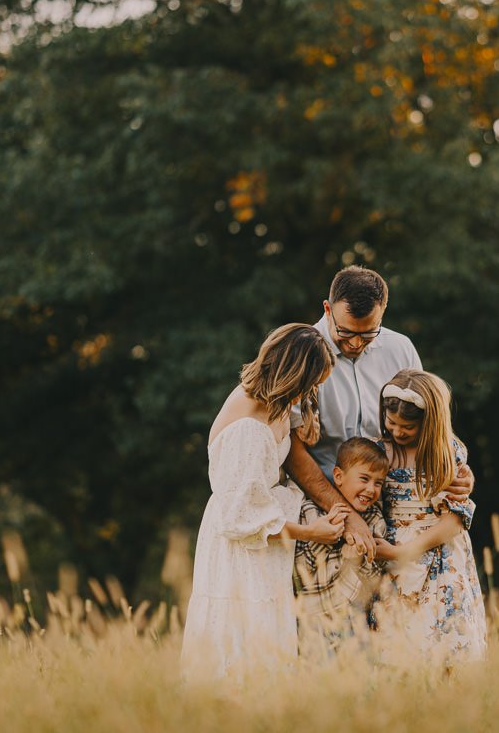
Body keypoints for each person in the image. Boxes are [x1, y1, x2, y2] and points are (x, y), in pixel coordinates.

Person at [181, 324, 348, 680]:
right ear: (294, 376)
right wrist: (311, 532)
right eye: (313, 383)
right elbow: (243, 520)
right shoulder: (249, 428)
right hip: (241, 550)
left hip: (264, 549)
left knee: (266, 646)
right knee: (243, 650)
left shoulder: (274, 402)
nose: (315, 391)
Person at [285, 266, 472, 558]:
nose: (356, 343)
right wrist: (347, 516)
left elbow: (427, 425)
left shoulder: (401, 349)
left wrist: (454, 468)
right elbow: (290, 449)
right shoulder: (300, 354)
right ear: (327, 309)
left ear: (383, 313)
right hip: (323, 516)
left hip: (394, 517)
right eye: (345, 332)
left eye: (369, 333)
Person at [373, 368, 487, 663]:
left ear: (430, 423)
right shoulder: (378, 452)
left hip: (441, 557)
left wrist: (405, 551)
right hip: (392, 559)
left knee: (445, 642)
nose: (397, 431)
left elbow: (455, 519)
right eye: (392, 422)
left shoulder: (446, 454)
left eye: (407, 427)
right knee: (398, 645)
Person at [292, 437, 390, 650]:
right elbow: (300, 567)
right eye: (364, 479)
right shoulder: (312, 511)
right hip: (314, 620)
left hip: (355, 618)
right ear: (338, 476)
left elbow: (376, 577)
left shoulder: (374, 520)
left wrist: (358, 558)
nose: (371, 489)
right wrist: (328, 538)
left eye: (378, 483)